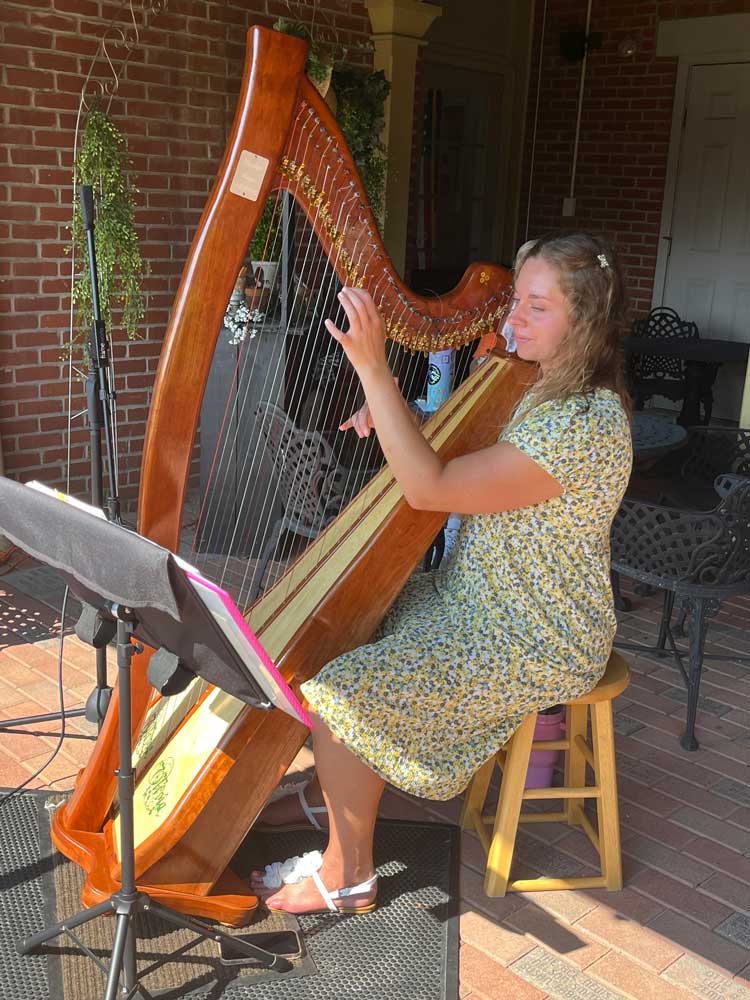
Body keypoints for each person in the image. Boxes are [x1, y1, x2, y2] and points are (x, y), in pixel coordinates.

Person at [250, 232, 633, 915]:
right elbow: (473, 445)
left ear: (587, 323)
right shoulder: (535, 385)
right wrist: (404, 414)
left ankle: (348, 875)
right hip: (475, 600)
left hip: (536, 632)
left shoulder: (584, 424)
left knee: (346, 692)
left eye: (537, 307)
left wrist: (376, 371)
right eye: (517, 300)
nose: (513, 319)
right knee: (352, 629)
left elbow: (430, 486)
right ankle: (328, 796)